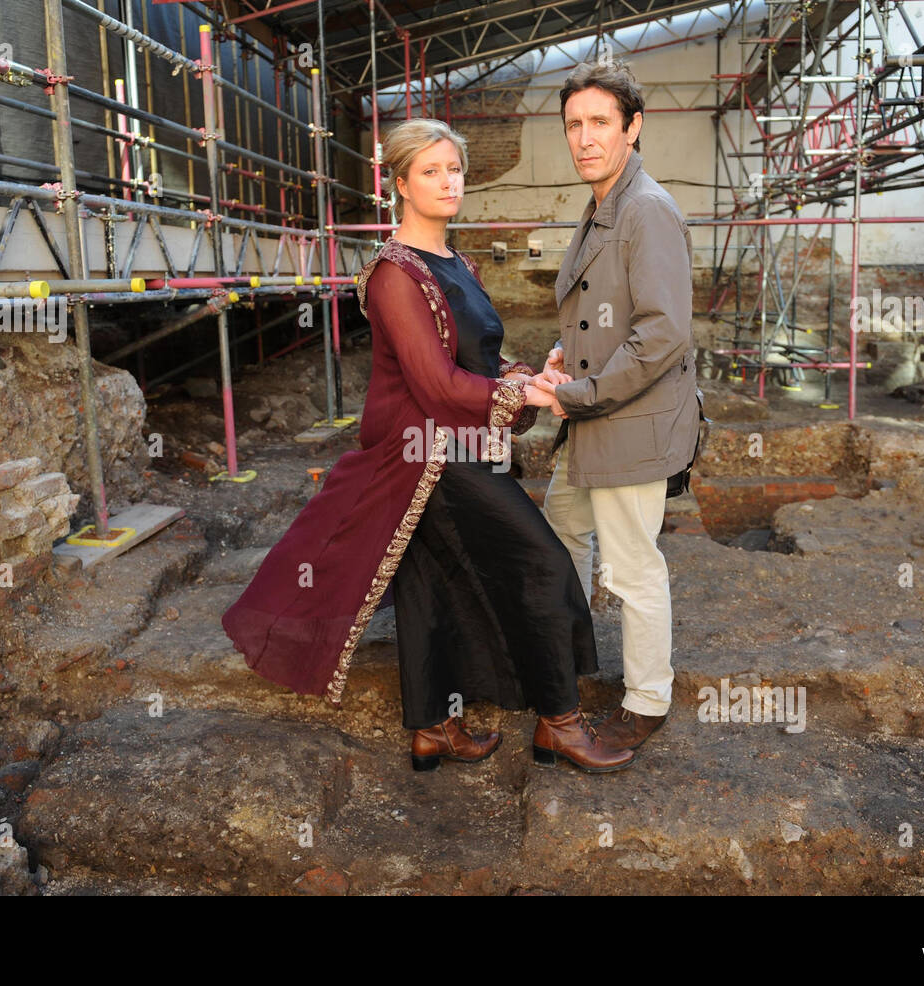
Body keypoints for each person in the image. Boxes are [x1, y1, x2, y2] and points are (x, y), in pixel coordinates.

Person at [221, 118, 635, 774]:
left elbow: (474, 362)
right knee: (543, 565)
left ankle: (434, 728)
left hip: (457, 446)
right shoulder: (393, 275)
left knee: (430, 584)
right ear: (400, 185)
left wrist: (528, 375)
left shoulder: (457, 263)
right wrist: (524, 399)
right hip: (423, 456)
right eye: (432, 171)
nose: (449, 182)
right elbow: (435, 384)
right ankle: (561, 721)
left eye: (455, 169)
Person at [532, 61, 701, 752]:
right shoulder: (604, 203)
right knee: (560, 536)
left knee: (632, 568)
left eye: (600, 122)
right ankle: (566, 670)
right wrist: (559, 358)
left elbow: (662, 332)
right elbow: (603, 314)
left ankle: (646, 702)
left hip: (627, 424)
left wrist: (577, 395)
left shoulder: (646, 209)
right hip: (594, 422)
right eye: (574, 124)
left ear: (633, 127)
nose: (584, 137)